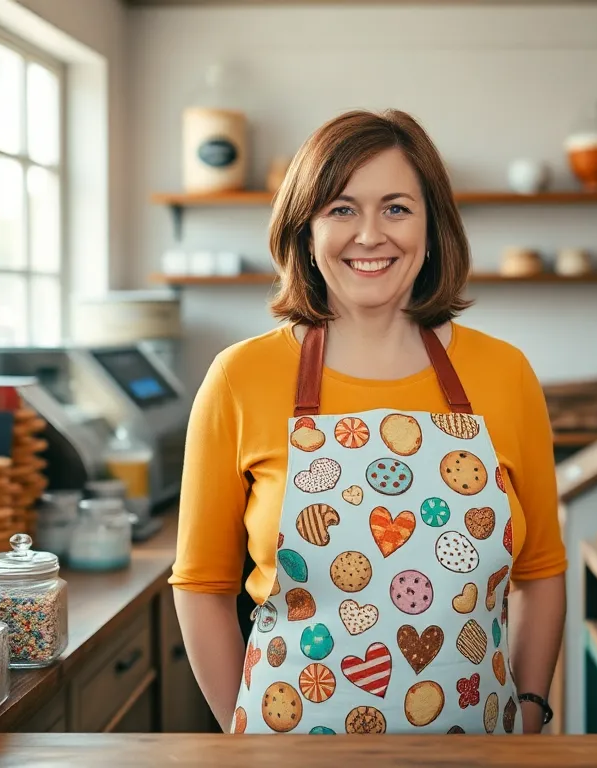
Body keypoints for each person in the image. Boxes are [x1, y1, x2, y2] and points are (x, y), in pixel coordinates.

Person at [169, 109, 567, 735]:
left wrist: (534, 710)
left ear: (433, 228)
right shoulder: (239, 378)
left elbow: (540, 572)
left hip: (480, 750)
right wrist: (240, 740)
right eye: (342, 209)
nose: (370, 235)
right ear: (305, 230)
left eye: (397, 208)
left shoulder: (505, 373)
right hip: (287, 751)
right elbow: (200, 586)